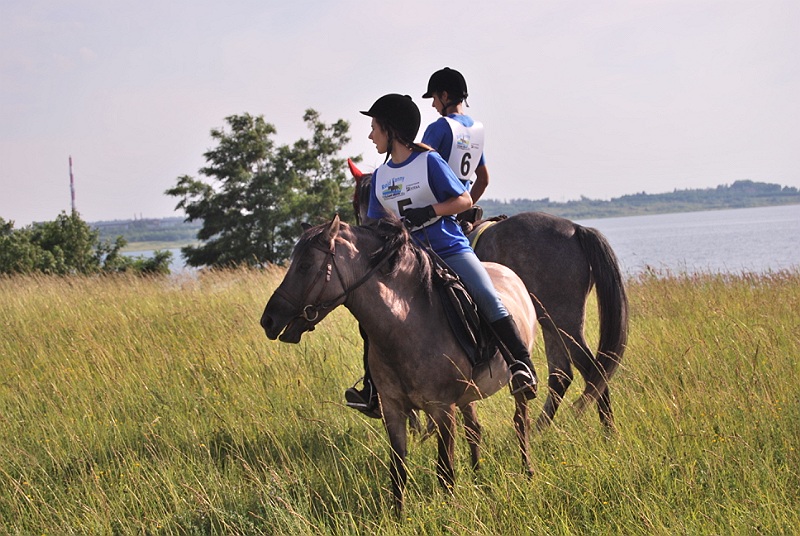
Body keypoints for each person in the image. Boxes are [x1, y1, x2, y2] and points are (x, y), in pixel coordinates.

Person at [344, 93, 537, 417]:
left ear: (390, 129)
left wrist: (430, 211)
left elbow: (464, 200)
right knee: (372, 315)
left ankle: (521, 364)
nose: (370, 135)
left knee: (487, 295)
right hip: (408, 260)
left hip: (448, 248)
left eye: (374, 127)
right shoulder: (380, 177)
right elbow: (374, 225)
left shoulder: (429, 162)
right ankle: (373, 388)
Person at [421, 67, 489, 207]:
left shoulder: (438, 127)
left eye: (434, 98)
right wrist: (464, 207)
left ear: (444, 96)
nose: (433, 104)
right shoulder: (476, 130)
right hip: (460, 210)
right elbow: (483, 180)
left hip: (436, 211)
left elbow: (418, 171)